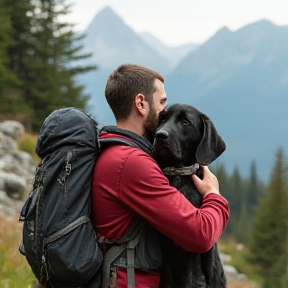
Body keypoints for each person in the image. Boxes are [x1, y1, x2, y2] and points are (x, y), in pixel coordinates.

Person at [91, 64, 230, 288]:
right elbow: (201, 235)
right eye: (162, 103)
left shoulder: (111, 148)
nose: (164, 116)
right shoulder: (131, 162)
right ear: (141, 103)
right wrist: (214, 194)